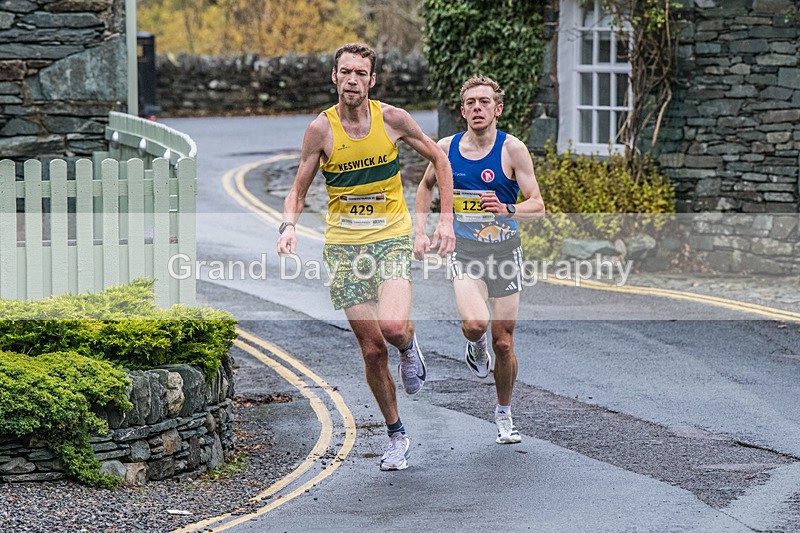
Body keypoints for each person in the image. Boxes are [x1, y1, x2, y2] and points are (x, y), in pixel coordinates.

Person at [277, 43, 455, 470]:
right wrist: (288, 225)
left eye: (361, 73)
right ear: (334, 77)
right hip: (344, 246)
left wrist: (443, 221)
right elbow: (298, 189)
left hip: (391, 237)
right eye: (345, 72)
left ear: (371, 80)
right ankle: (396, 435)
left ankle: (409, 345)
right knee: (373, 349)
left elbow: (440, 159)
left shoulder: (392, 119)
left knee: (392, 328)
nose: (352, 79)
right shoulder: (320, 130)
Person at [414, 75, 545, 444]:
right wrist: (421, 230)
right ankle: (474, 345)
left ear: (497, 109)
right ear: (462, 110)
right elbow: (425, 186)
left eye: (484, 102)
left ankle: (504, 413)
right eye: (470, 102)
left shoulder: (513, 150)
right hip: (466, 253)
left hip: (505, 254)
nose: (477, 108)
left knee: (504, 343)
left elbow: (538, 205)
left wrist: (508, 208)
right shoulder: (446, 148)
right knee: (475, 324)